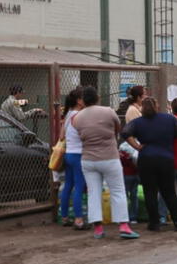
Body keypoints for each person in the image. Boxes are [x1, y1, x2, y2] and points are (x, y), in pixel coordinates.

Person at [72, 86, 139, 239]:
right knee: (118, 191)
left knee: (93, 193)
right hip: (109, 157)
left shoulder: (77, 118)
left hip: (88, 159)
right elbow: (117, 129)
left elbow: (80, 134)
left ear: (83, 101)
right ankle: (123, 225)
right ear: (97, 98)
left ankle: (98, 228)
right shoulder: (108, 111)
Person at [122, 97, 177, 232]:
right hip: (166, 159)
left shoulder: (138, 122)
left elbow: (125, 132)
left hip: (146, 160)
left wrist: (137, 146)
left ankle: (154, 223)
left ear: (142, 109)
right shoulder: (169, 119)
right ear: (157, 106)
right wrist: (169, 137)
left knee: (150, 192)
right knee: (169, 192)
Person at [60, 87, 89, 230]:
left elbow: (61, 136)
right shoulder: (80, 115)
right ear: (79, 101)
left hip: (68, 154)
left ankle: (64, 217)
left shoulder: (68, 115)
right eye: (84, 98)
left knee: (68, 186)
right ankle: (79, 220)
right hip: (78, 155)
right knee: (79, 186)